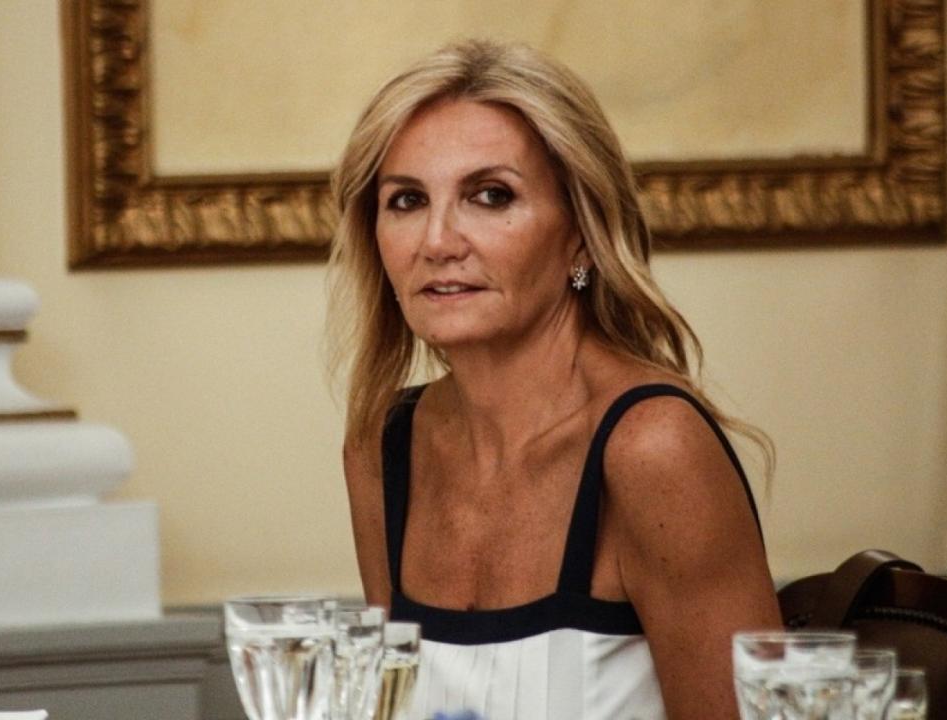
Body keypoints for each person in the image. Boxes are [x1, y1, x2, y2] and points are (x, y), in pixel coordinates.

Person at [329, 39, 780, 720]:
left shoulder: (652, 446)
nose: (437, 241)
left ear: (580, 233)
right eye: (407, 200)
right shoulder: (382, 447)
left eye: (491, 196)